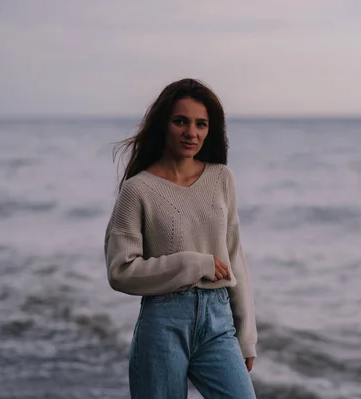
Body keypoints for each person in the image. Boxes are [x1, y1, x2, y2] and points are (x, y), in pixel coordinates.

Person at [103, 78, 257, 399]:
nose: (192, 133)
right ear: (164, 124)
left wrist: (246, 334)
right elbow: (121, 271)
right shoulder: (138, 190)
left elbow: (234, 255)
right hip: (163, 324)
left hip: (218, 324)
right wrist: (191, 264)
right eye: (181, 121)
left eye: (201, 124)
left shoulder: (221, 178)